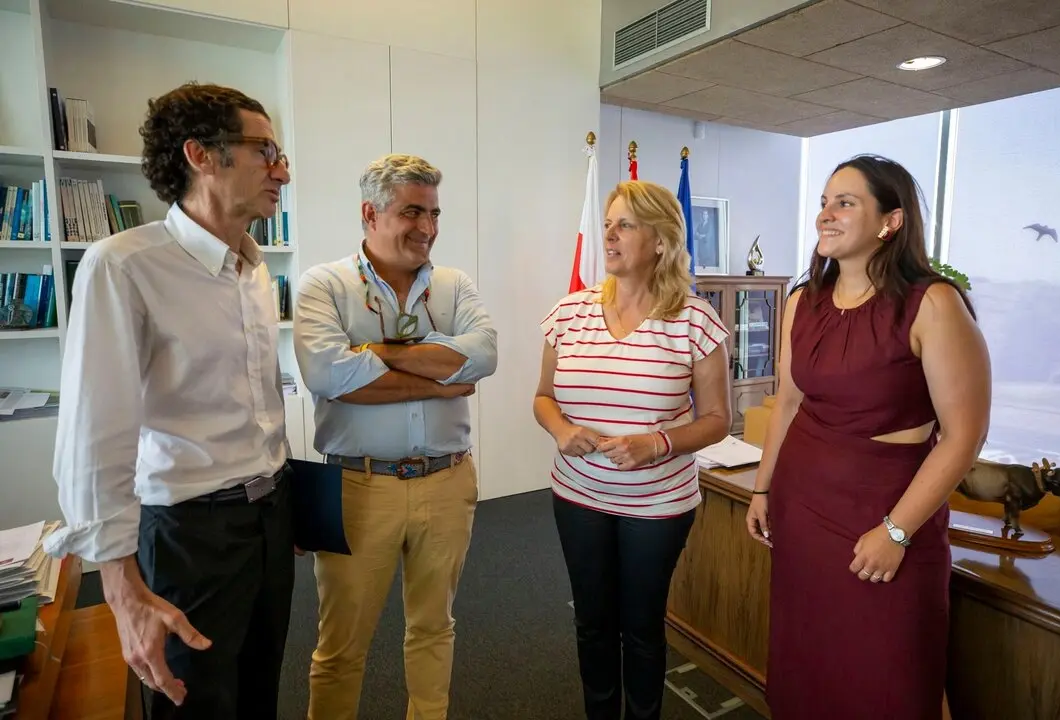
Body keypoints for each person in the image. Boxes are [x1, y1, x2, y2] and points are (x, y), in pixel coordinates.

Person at [43, 82, 295, 718]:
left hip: (267, 519)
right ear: (201, 155)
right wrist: (120, 587)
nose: (283, 169)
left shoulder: (256, 270)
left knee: (260, 693)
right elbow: (94, 434)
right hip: (189, 533)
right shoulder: (123, 266)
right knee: (195, 702)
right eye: (265, 150)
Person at [745, 154, 991, 719]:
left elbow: (964, 435)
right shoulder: (801, 302)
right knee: (809, 666)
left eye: (845, 202)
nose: (825, 214)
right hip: (803, 516)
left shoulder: (933, 303)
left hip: (885, 521)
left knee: (892, 679)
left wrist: (897, 532)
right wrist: (762, 490)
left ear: (891, 221)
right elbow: (788, 403)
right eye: (824, 202)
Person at [293, 153, 497, 720]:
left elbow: (484, 356)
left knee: (435, 628)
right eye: (412, 212)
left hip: (447, 481)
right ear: (370, 212)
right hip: (357, 487)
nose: (427, 228)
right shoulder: (325, 284)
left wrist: (377, 357)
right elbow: (327, 376)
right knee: (341, 646)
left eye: (434, 213)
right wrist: (439, 380)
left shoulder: (455, 285)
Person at [533, 180, 732, 720]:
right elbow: (543, 398)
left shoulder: (695, 320)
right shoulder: (568, 314)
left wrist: (658, 443)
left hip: (658, 506)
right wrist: (559, 431)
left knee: (641, 628)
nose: (610, 235)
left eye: (625, 225)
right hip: (577, 495)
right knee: (593, 623)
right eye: (607, 224)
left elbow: (718, 420)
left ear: (661, 241)